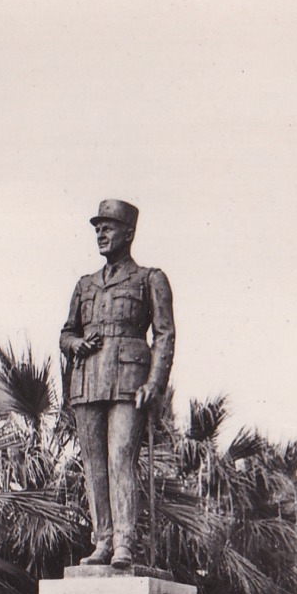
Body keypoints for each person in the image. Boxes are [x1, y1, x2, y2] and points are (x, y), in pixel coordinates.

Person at [60, 199, 175, 568]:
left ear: (129, 233)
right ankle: (103, 540)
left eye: (108, 227)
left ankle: (125, 541)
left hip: (129, 379)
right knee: (94, 464)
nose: (101, 233)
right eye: (97, 228)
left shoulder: (149, 278)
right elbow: (66, 333)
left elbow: (165, 334)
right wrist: (75, 344)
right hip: (88, 379)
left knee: (120, 458)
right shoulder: (84, 284)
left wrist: (155, 383)